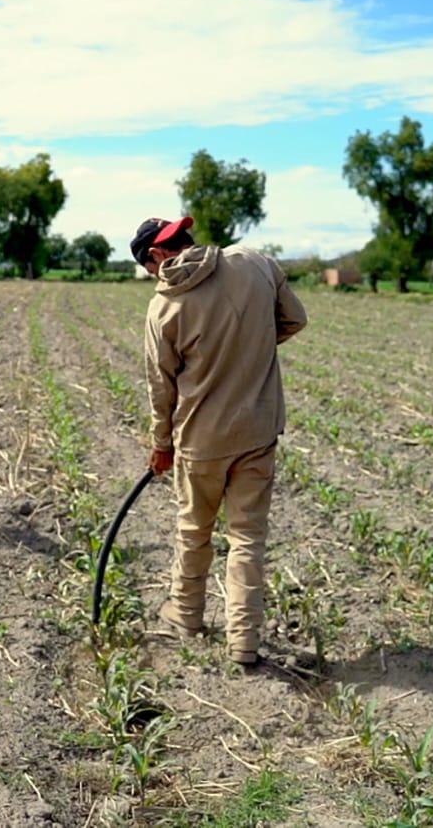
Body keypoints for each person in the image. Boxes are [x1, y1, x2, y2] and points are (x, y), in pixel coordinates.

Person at [130, 215, 308, 665]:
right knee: (248, 539)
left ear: (156, 256)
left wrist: (161, 444)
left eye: (149, 268)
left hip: (199, 441)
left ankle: (185, 617)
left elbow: (161, 388)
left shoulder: (164, 308)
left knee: (194, 531)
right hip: (259, 430)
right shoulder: (253, 262)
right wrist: (251, 348)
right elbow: (294, 319)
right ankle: (244, 643)